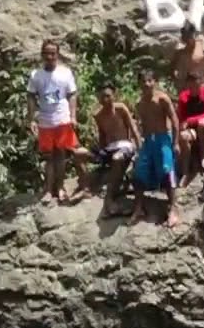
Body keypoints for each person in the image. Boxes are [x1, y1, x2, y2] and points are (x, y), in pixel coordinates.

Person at [27, 40, 89, 204]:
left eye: (53, 53)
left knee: (61, 155)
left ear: (58, 54)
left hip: (62, 118)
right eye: (46, 53)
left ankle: (60, 187)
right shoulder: (36, 75)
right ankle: (48, 190)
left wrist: (73, 116)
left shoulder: (65, 73)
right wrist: (31, 118)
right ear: (42, 54)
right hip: (45, 120)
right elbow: (31, 96)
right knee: (48, 157)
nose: (50, 56)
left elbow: (72, 94)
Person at [131, 70, 181, 227]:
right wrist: (139, 145)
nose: (146, 84)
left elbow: (174, 120)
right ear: (139, 84)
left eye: (149, 81)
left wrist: (176, 142)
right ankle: (139, 208)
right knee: (138, 172)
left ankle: (173, 208)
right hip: (148, 142)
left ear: (154, 82)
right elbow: (140, 126)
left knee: (167, 169)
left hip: (162, 138)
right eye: (143, 81)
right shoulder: (139, 104)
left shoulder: (162, 99)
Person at [83, 82, 141, 216]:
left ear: (114, 95)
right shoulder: (98, 115)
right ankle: (85, 188)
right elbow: (102, 136)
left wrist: (139, 151)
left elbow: (134, 129)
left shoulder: (121, 109)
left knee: (117, 158)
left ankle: (108, 199)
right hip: (109, 148)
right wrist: (100, 155)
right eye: (102, 97)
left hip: (125, 146)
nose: (105, 100)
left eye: (108, 96)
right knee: (79, 153)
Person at [176, 71, 204, 187]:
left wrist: (190, 121)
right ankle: (185, 172)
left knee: (203, 124)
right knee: (183, 137)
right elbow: (181, 117)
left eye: (196, 85)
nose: (193, 88)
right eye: (190, 86)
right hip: (193, 130)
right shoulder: (184, 97)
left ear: (201, 83)